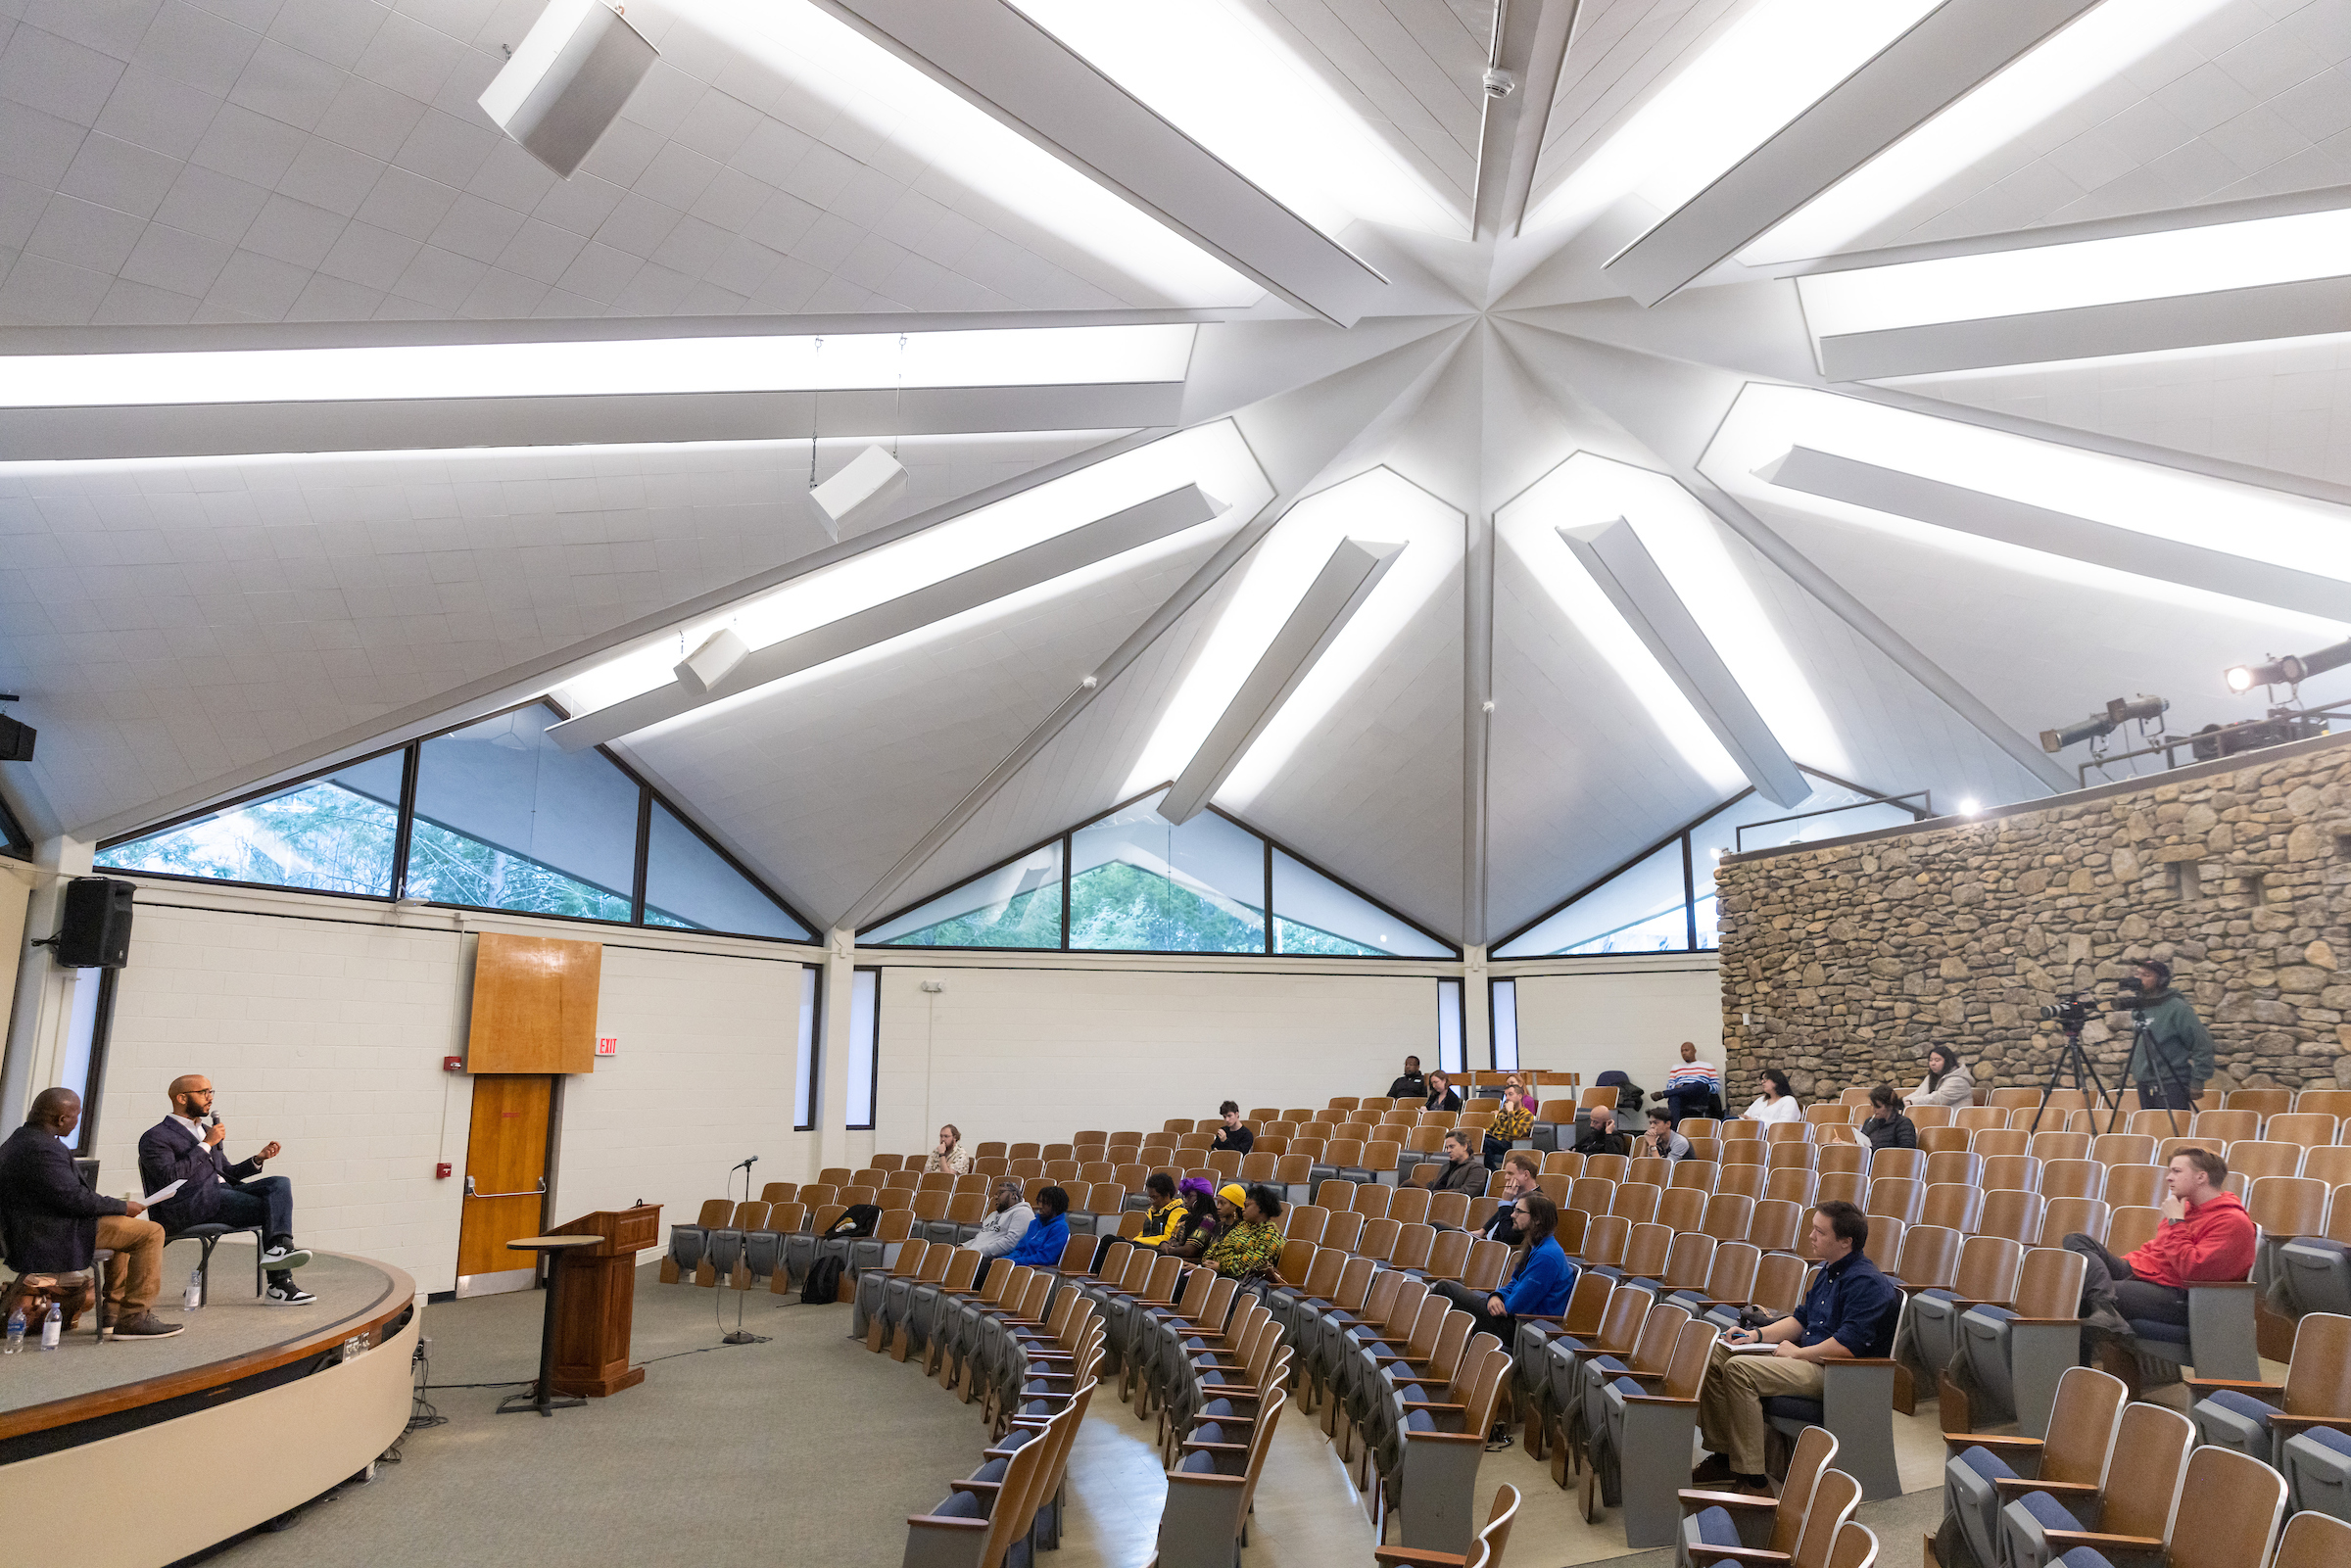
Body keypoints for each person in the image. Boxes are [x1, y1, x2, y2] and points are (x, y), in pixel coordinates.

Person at [1695, 1201, 1900, 1493]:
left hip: (1836, 1373)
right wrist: (1756, 1336)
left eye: (1820, 1232)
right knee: (1717, 1354)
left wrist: (1798, 1353)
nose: (1811, 1236)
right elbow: (1801, 1320)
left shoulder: (1867, 1283)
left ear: (1845, 1241)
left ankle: (1753, 1479)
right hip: (1808, 1360)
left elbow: (1848, 1346)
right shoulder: (1827, 1271)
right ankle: (1723, 1455)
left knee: (1739, 1369)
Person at [0, 1088, 181, 1339]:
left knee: (127, 1231)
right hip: (48, 1235)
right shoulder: (42, 1149)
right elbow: (72, 1199)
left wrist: (115, 1208)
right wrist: (122, 1206)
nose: (77, 1123)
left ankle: (113, 1314)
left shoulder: (22, 1140)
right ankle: (135, 1317)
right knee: (151, 1232)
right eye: (76, 1116)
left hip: (44, 1226)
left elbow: (65, 1196)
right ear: (62, 1119)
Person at [137, 1074, 314, 1305]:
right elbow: (169, 1177)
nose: (209, 1098)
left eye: (211, 1091)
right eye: (203, 1092)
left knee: (278, 1184)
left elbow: (226, 1173)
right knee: (271, 1208)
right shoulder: (156, 1136)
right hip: (189, 1206)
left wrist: (258, 1159)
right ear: (181, 1098)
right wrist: (206, 1145)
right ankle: (280, 1284)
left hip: (222, 1196)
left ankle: (280, 1250)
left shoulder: (206, 1130)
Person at [2067, 1148, 2254, 1344]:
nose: (2168, 1178)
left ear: (2201, 1177)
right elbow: (2157, 1249)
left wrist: (2175, 1221)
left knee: (2085, 1292)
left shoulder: (2232, 1221)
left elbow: (2193, 1270)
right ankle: (2105, 1308)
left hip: (2180, 1294)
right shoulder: (2184, 1208)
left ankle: (2090, 1347)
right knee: (2077, 1240)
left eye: (2177, 1171)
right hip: (2148, 1275)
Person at [1434, 1192, 1575, 1445]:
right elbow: (1511, 1285)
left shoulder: (1546, 1256)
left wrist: (1499, 1299)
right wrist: (1495, 1296)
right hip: (1514, 1319)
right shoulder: (1535, 1247)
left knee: (1445, 1289)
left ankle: (1439, 1373)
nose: (1512, 1215)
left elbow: (1517, 1303)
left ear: (1537, 1220)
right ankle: (1447, 1378)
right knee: (1461, 1303)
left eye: (1519, 1211)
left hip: (1524, 1329)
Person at [2121, 959, 2214, 1112]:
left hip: (2171, 1083)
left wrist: (2198, 1080)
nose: (2139, 979)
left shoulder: (2177, 1007)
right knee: (2150, 1129)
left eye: (2146, 975)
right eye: (2138, 974)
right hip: (2144, 1082)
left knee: (2173, 1130)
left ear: (2161, 981)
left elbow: (2202, 1044)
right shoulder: (2139, 1008)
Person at [975, 1184, 1069, 1289]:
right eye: (1040, 1202)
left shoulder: (1060, 1229)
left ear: (1056, 1206)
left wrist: (1013, 1262)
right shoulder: (1034, 1223)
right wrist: (1004, 1259)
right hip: (1020, 1264)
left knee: (984, 1270)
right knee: (982, 1263)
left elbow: (1044, 1258)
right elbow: (1020, 1249)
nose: (1040, 1206)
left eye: (1045, 1203)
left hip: (1032, 1268)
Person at [1200, 1184, 1286, 1286]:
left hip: (1241, 1281)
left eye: (1247, 1206)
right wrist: (1208, 1262)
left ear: (1261, 1207)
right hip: (1221, 1274)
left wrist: (1221, 1266)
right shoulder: (1243, 1226)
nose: (1242, 1209)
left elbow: (1254, 1263)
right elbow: (1216, 1248)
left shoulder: (1271, 1235)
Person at [1478, 1153, 1542, 1248]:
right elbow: (1499, 1215)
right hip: (1489, 1244)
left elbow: (1508, 1238)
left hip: (1503, 1251)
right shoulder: (1517, 1195)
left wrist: (1506, 1202)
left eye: (1510, 1173)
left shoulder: (1537, 1202)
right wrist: (1482, 1231)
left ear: (1525, 1175)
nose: (1506, 1177)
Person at [1655, 1041, 1723, 1124]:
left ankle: (1664, 1094)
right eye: (1682, 1051)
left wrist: (1706, 1087)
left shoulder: (1707, 1066)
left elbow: (1717, 1087)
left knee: (1698, 1085)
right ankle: (1674, 1130)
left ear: (1694, 1051)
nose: (1684, 1053)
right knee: (1673, 1097)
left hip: (1700, 1095)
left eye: (1686, 1050)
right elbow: (1670, 1085)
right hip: (1682, 1096)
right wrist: (1675, 1087)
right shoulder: (1676, 1067)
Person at [963, 1179, 1033, 1259]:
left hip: (994, 1259)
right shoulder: (993, 1215)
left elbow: (1011, 1243)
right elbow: (981, 1238)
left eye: (1000, 1193)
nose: (995, 1197)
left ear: (1013, 1195)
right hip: (975, 1255)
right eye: (995, 1194)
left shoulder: (1023, 1213)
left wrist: (977, 1253)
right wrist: (964, 1247)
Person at [1902, 1045, 1975, 1110]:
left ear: (1947, 1061)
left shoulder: (1959, 1081)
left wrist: (1912, 1102)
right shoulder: (1932, 1077)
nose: (1933, 1063)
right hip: (1936, 1116)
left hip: (1955, 1120)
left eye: (1937, 1060)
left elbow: (1939, 1099)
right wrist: (1902, 1101)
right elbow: (1919, 1093)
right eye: (1930, 1060)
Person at [1484, 1083, 1535, 1168]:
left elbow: (1515, 1133)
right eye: (1506, 1095)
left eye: (1510, 1094)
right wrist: (1481, 1135)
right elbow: (1492, 1128)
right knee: (1479, 1140)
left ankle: (1493, 1171)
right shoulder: (1503, 1112)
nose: (1507, 1098)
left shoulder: (1526, 1115)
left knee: (1485, 1143)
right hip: (1496, 1140)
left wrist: (1511, 1113)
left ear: (1519, 1096)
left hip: (1509, 1143)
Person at [1132, 1172, 1183, 1250]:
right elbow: (1144, 1234)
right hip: (1144, 1247)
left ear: (1167, 1195)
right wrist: (1136, 1240)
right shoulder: (1153, 1211)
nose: (1152, 1202)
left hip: (1158, 1250)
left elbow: (1168, 1238)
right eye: (1150, 1198)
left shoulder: (1178, 1211)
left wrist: (1137, 1241)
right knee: (1112, 1240)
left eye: (1154, 1197)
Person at [1429, 1129, 1488, 1195]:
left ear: (1464, 1146)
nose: (1448, 1151)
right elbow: (1431, 1187)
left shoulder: (1476, 1168)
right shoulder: (1445, 1167)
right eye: (1446, 1147)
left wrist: (1437, 1194)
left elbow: (1467, 1192)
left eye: (1451, 1147)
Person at [1860, 1085, 1916, 1151]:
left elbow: (1906, 1152)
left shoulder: (1903, 1123)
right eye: (1872, 1105)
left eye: (1878, 1106)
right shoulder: (1869, 1122)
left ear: (1889, 1106)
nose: (1873, 1110)